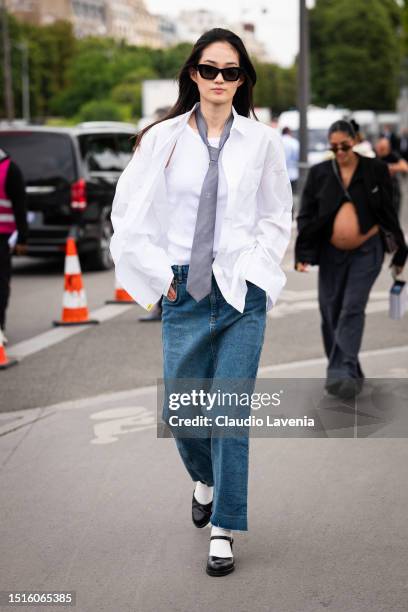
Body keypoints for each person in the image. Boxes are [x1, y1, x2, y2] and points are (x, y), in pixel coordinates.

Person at [110, 28, 292, 576]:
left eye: (230, 72)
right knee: (182, 412)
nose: (218, 80)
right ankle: (206, 480)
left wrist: (259, 268)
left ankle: (223, 530)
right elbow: (129, 212)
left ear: (243, 80)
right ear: (193, 73)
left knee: (229, 414)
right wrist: (153, 273)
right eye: (209, 69)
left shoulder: (261, 142)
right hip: (183, 289)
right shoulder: (162, 139)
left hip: (240, 290)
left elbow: (276, 213)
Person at [295, 120, 407, 400]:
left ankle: (341, 372)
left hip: (367, 251)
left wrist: (399, 253)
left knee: (351, 308)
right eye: (334, 147)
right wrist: (303, 254)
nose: (340, 151)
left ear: (355, 141)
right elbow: (306, 214)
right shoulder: (321, 172)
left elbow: (391, 210)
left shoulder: (375, 170)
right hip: (331, 252)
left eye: (344, 145)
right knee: (330, 311)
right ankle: (351, 370)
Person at [0, 148, 27, 345]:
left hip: (3, 237)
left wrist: (22, 238)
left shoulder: (10, 170)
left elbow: (19, 205)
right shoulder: (11, 168)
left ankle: (0, 325)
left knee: (1, 283)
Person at [374, 137, 408, 217]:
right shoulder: (373, 154)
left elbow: (405, 167)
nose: (381, 151)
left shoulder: (392, 155)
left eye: (383, 149)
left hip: (393, 190)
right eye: (379, 148)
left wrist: (389, 167)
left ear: (388, 148)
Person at [281, 126, 300, 194]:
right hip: (293, 173)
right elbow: (298, 156)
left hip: (280, 174)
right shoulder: (294, 142)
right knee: (293, 194)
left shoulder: (278, 140)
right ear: (289, 132)